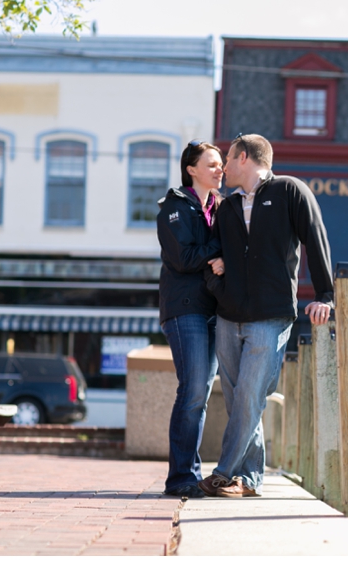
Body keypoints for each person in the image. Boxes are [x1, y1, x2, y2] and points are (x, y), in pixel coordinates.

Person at [199, 133, 334, 498]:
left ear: (244, 158)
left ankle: (225, 473)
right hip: (229, 316)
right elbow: (214, 254)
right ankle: (250, 480)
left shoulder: (290, 191)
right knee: (238, 399)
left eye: (227, 159)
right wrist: (216, 281)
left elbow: (315, 237)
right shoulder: (226, 208)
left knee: (249, 396)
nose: (223, 167)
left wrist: (325, 295)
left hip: (271, 316)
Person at [156, 141, 225, 499]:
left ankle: (190, 473)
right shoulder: (173, 207)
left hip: (215, 309)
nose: (219, 169)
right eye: (211, 164)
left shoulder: (222, 207)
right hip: (184, 309)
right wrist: (217, 255)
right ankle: (181, 477)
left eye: (221, 164)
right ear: (191, 170)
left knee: (200, 394)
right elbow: (182, 257)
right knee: (193, 390)